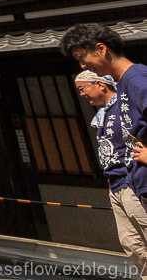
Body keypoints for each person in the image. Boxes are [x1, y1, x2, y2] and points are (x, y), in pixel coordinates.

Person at [61, 24, 147, 227]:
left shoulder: (136, 78)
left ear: (101, 49)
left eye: (82, 58)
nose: (82, 65)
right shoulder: (125, 81)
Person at [75, 70, 147, 276]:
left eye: (82, 89)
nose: (82, 94)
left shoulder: (124, 107)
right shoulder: (103, 113)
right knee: (131, 243)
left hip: (132, 182)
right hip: (115, 185)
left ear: (100, 85)